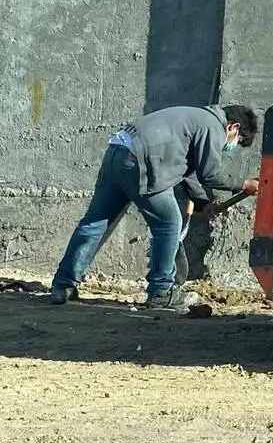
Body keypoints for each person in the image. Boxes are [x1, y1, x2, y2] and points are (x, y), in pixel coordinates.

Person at [50, 104, 260, 312]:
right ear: (234, 126)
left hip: (117, 151)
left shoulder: (195, 118)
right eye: (238, 140)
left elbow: (188, 170)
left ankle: (63, 285)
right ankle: (161, 291)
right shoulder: (213, 126)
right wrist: (244, 184)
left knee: (96, 221)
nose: (232, 144)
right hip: (141, 162)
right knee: (169, 224)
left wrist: (203, 202)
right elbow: (210, 174)